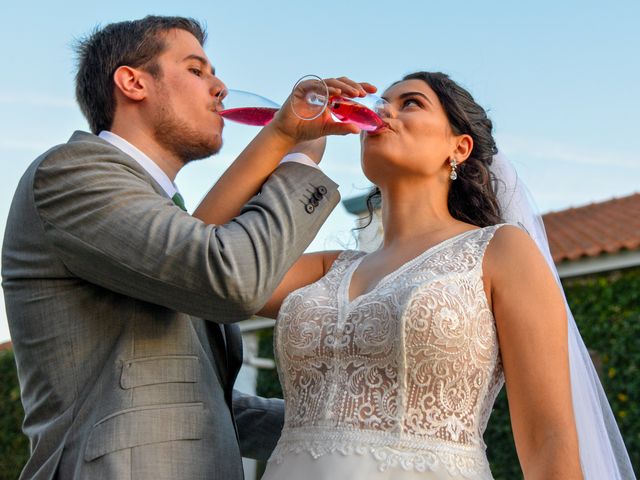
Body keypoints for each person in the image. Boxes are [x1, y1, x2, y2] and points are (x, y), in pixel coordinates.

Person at [194, 72, 637, 479]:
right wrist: (284, 134)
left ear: (459, 148)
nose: (384, 110)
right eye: (382, 101)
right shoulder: (329, 268)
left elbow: (549, 441)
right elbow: (201, 260)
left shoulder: (501, 251)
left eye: (410, 103)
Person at [1, 15, 374, 480]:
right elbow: (231, 275)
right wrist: (299, 157)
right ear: (132, 82)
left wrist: (365, 431)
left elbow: (200, 404)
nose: (220, 87)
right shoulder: (71, 173)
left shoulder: (158, 217)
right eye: (197, 70)